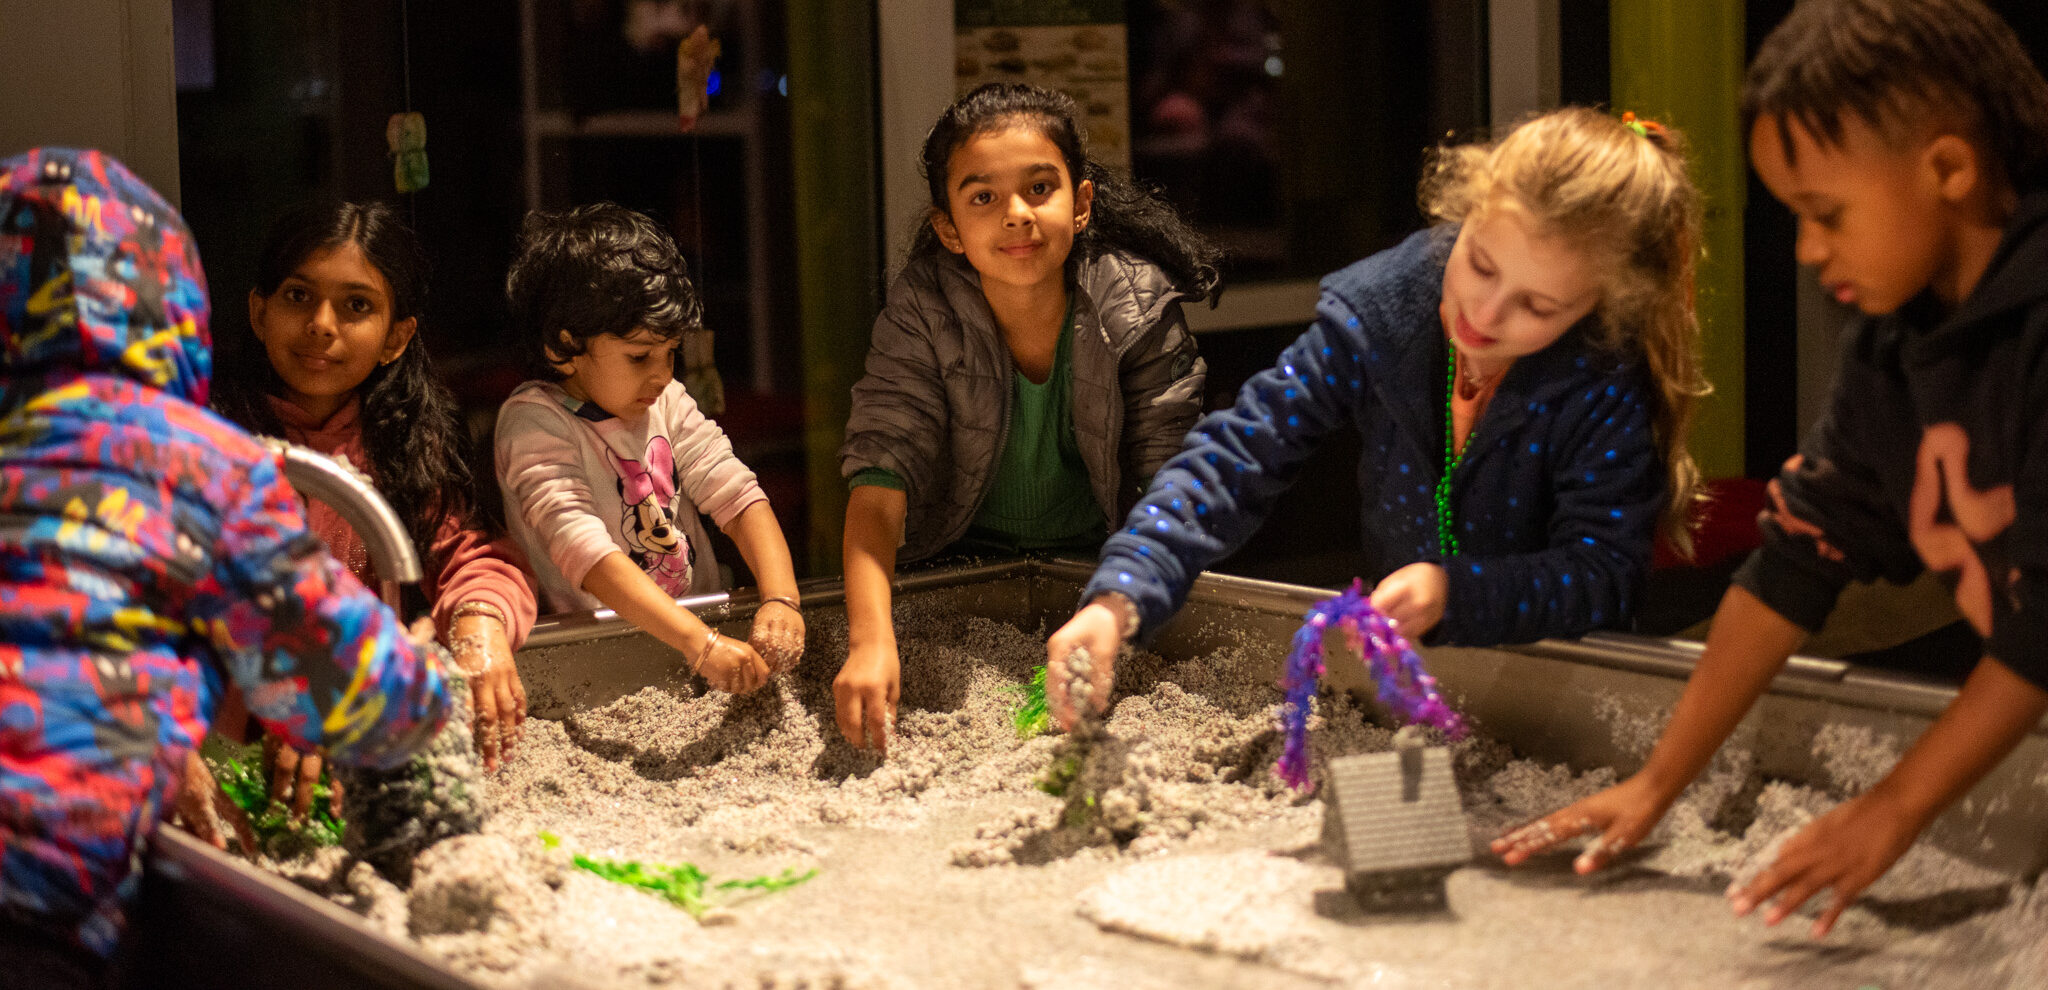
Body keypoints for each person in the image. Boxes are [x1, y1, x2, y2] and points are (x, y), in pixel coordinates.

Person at [1493, 0, 2048, 940]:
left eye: (1826, 213)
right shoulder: (1892, 346)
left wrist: (1891, 810)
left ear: (1948, 168)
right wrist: (1656, 785)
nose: (1805, 249)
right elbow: (1793, 561)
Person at [1048, 105, 1710, 727]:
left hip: (1564, 699)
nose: (1485, 314)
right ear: (1464, 215)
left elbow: (1603, 576)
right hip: (1409, 683)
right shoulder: (1382, 315)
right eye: (1478, 265)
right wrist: (1120, 596)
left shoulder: (1600, 379)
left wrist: (1456, 591)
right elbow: (1235, 459)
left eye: (1536, 308)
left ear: (1595, 308)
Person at [0, 149, 452, 984]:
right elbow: (348, 687)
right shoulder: (197, 461)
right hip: (38, 893)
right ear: (172, 306)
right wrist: (418, 679)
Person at [835, 82, 1220, 755]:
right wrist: (871, 641)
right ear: (948, 228)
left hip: (1104, 580)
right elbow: (879, 480)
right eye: (983, 197)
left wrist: (1113, 606)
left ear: (1082, 203)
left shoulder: (1137, 306)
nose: (1016, 215)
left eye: (1040, 187)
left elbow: (1174, 490)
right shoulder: (923, 311)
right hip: (956, 578)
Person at [214, 201, 537, 775]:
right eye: (298, 296)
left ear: (396, 337)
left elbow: (473, 555)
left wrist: (480, 621)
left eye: (356, 305)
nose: (322, 323)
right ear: (258, 312)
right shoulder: (202, 439)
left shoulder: (406, 444)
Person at [495, 203, 802, 696]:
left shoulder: (667, 399)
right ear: (564, 348)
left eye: (670, 353)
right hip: (592, 664)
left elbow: (736, 493)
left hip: (700, 635)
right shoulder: (533, 423)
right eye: (639, 356)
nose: (661, 374)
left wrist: (781, 598)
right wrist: (696, 642)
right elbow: (585, 552)